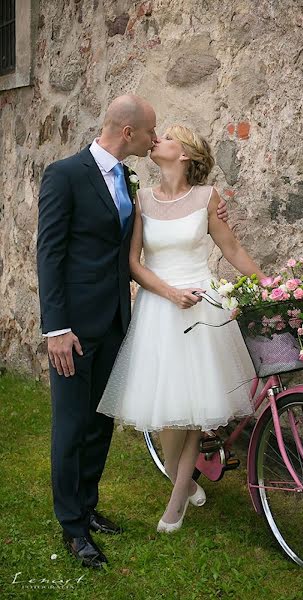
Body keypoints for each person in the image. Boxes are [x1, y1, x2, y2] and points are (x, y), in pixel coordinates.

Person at [36, 97, 228, 568]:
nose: (153, 138)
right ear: (128, 133)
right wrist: (55, 328)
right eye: (150, 131)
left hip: (116, 322)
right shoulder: (65, 175)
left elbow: (131, 250)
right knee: (71, 425)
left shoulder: (127, 179)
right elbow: (50, 255)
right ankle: (73, 529)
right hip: (73, 329)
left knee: (99, 422)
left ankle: (88, 507)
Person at [97, 124, 266, 533]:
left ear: (186, 154)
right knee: (168, 412)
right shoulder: (142, 200)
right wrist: (170, 293)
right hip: (160, 306)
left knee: (191, 410)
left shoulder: (208, 198)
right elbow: (135, 263)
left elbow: (233, 249)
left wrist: (270, 287)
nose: (157, 141)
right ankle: (183, 479)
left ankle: (176, 502)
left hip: (203, 307)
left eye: (167, 138)